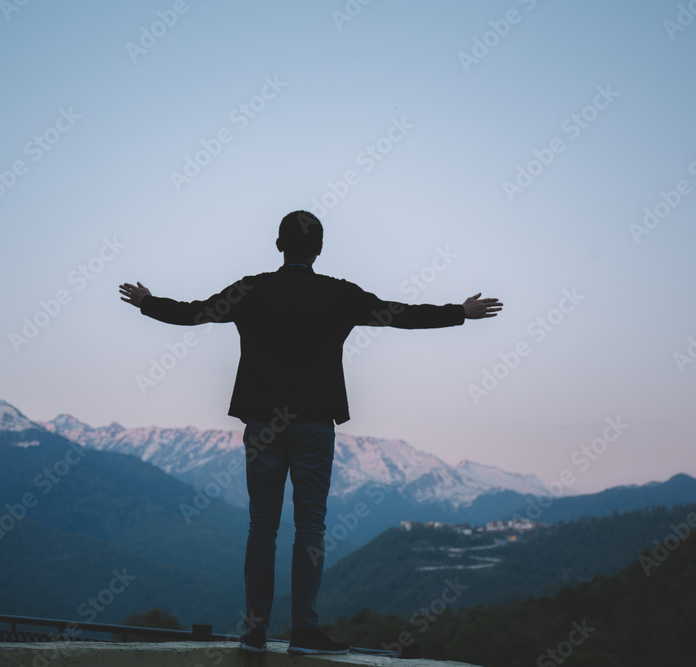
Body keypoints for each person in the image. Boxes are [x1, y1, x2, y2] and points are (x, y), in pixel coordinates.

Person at [119, 210, 502, 655]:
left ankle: (255, 629)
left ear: (278, 245)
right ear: (319, 249)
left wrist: (147, 302)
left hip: (262, 424)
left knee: (262, 526)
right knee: (311, 526)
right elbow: (400, 315)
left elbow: (194, 314)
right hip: (315, 424)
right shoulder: (338, 295)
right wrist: (459, 312)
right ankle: (304, 628)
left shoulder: (251, 289)